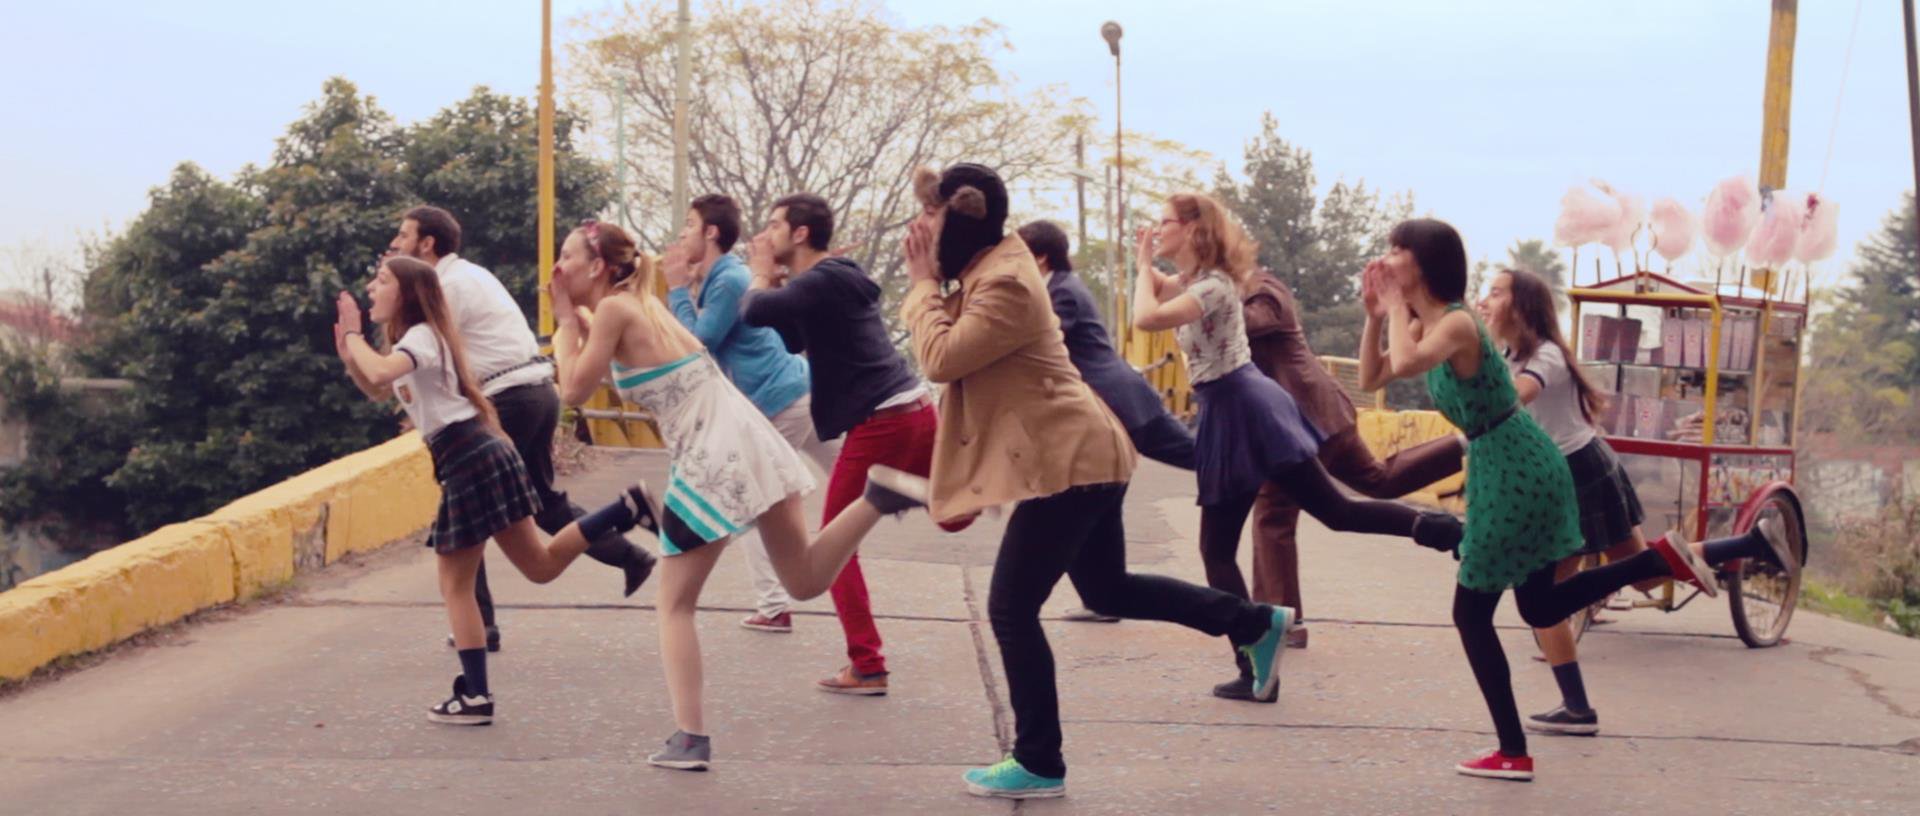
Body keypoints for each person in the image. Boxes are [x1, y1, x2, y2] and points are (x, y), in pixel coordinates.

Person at [898, 164, 1293, 800]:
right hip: (1084, 454)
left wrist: (920, 284)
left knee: (1010, 608)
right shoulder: (991, 265)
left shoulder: (1005, 280)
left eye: (932, 220)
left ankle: (1039, 761)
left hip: (1072, 464)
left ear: (962, 222)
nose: (920, 232)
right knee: (1107, 587)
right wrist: (933, 278)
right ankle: (1251, 622)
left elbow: (941, 356)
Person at [1355, 218, 1792, 781]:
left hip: (1517, 466)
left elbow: (1410, 363)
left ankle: (1513, 750)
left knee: (1472, 612)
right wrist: (1375, 315)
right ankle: (1663, 561)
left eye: (1399, 250)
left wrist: (1393, 306)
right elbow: (1372, 376)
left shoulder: (1458, 323)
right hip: (1505, 462)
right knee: (1539, 606)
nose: (1388, 258)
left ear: (1426, 262)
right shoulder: (1427, 321)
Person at [548, 219, 919, 772]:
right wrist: (574, 322)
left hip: (711, 452)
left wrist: (561, 323)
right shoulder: (638, 308)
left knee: (674, 604)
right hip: (746, 436)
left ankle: (690, 738)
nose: (559, 269)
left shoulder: (615, 311)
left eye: (568, 257)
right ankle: (875, 498)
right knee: (804, 579)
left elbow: (573, 389)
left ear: (598, 266)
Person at [1129, 193, 1464, 703]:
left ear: (1195, 230)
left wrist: (1141, 262)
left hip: (1244, 408)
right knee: (1334, 511)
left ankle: (1257, 652)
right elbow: (1153, 292)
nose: (1157, 229)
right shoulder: (1196, 282)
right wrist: (1146, 262)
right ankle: (1437, 529)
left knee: (1223, 548)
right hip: (1238, 407)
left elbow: (1145, 318)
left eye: (1165, 223)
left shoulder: (1218, 286)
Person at [331, 255, 658, 727]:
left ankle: (476, 697)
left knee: (455, 586)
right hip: (481, 453)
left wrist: (353, 336)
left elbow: (381, 373)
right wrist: (349, 354)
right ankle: (623, 510)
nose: (371, 288)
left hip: (469, 457)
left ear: (406, 294)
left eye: (381, 281)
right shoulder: (411, 344)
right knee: (540, 566)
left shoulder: (422, 336)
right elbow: (379, 388)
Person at [1477, 267, 1802, 737]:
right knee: (1643, 576)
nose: (1484, 302)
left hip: (1581, 474)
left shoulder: (1543, 356)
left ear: (1522, 307)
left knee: (1550, 596)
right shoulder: (1511, 354)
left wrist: (1471, 357)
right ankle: (1750, 542)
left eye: (1494, 293)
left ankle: (1577, 707)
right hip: (1573, 472)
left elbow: (1509, 403)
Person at [389, 206, 655, 654]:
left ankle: (480, 625)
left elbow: (430, 354)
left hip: (507, 400)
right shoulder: (472, 274)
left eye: (403, 235)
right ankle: (628, 545)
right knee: (543, 506)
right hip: (533, 392)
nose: (395, 244)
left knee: (467, 517)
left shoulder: (446, 287)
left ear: (427, 243)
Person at [740, 192, 967, 695]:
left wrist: (760, 274)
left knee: (831, 548)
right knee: (952, 512)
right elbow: (796, 340)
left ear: (800, 234)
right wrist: (779, 282)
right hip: (911, 410)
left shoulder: (824, 278)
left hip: (882, 419)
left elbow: (755, 312)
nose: (767, 234)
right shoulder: (828, 281)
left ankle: (867, 665)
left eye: (775, 225)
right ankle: (980, 490)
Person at [1238, 266, 1468, 653]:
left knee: (1275, 512)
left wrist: (1201, 298)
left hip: (1304, 420)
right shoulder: (1234, 288)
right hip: (1320, 415)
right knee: (1378, 481)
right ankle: (1458, 451)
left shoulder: (1261, 287)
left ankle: (1280, 619)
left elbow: (1252, 321)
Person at [662, 193, 830, 641]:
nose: (681, 233)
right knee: (857, 478)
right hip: (792, 393)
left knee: (758, 500)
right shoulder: (721, 276)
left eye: (689, 223)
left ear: (711, 232)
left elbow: (699, 343)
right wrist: (687, 288)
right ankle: (927, 494)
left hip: (776, 400)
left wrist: (678, 289)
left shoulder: (730, 279)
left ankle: (774, 606)